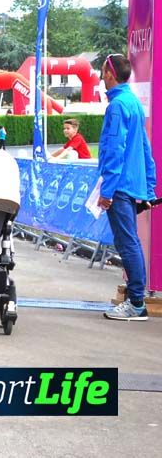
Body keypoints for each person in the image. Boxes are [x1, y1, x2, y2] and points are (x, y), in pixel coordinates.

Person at [97, 54, 157, 321]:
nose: (100, 77)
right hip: (133, 184)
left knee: (128, 242)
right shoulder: (132, 101)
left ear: (110, 74)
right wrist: (150, 187)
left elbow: (114, 150)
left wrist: (107, 191)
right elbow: (144, 148)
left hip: (120, 186)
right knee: (130, 241)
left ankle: (136, 303)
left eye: (102, 72)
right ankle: (136, 301)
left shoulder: (117, 105)